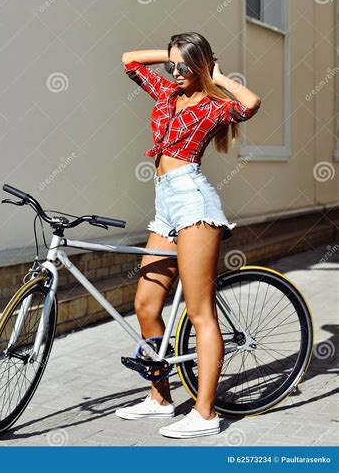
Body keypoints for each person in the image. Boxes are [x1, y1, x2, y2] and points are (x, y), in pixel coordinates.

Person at [115, 32, 261, 439]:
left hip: (194, 203)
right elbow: (128, 58)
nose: (175, 73)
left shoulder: (214, 106)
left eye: (184, 67)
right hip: (165, 204)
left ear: (200, 67)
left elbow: (250, 104)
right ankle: (160, 398)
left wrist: (217, 74)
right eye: (171, 66)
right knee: (145, 303)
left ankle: (205, 413)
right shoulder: (164, 91)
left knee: (199, 312)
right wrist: (171, 56)